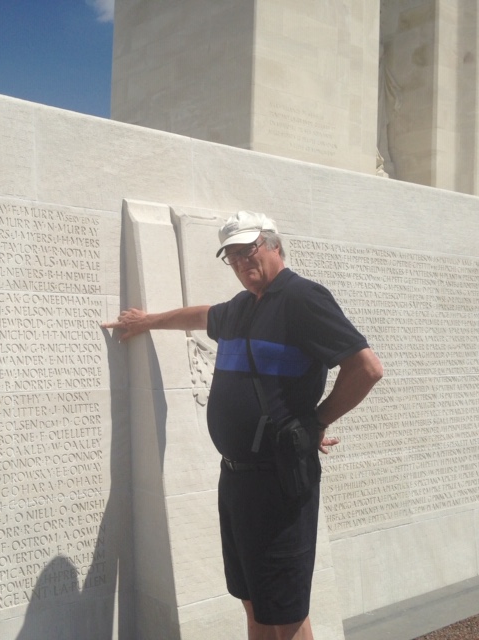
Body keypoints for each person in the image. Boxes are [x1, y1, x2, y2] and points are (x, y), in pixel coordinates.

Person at [102, 211, 383, 640]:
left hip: (279, 482)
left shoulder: (303, 298)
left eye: (247, 249)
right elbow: (199, 316)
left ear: (273, 245)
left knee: (285, 613)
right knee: (257, 604)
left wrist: (313, 422)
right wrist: (148, 322)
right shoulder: (240, 308)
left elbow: (366, 368)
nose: (239, 261)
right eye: (231, 255)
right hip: (236, 480)